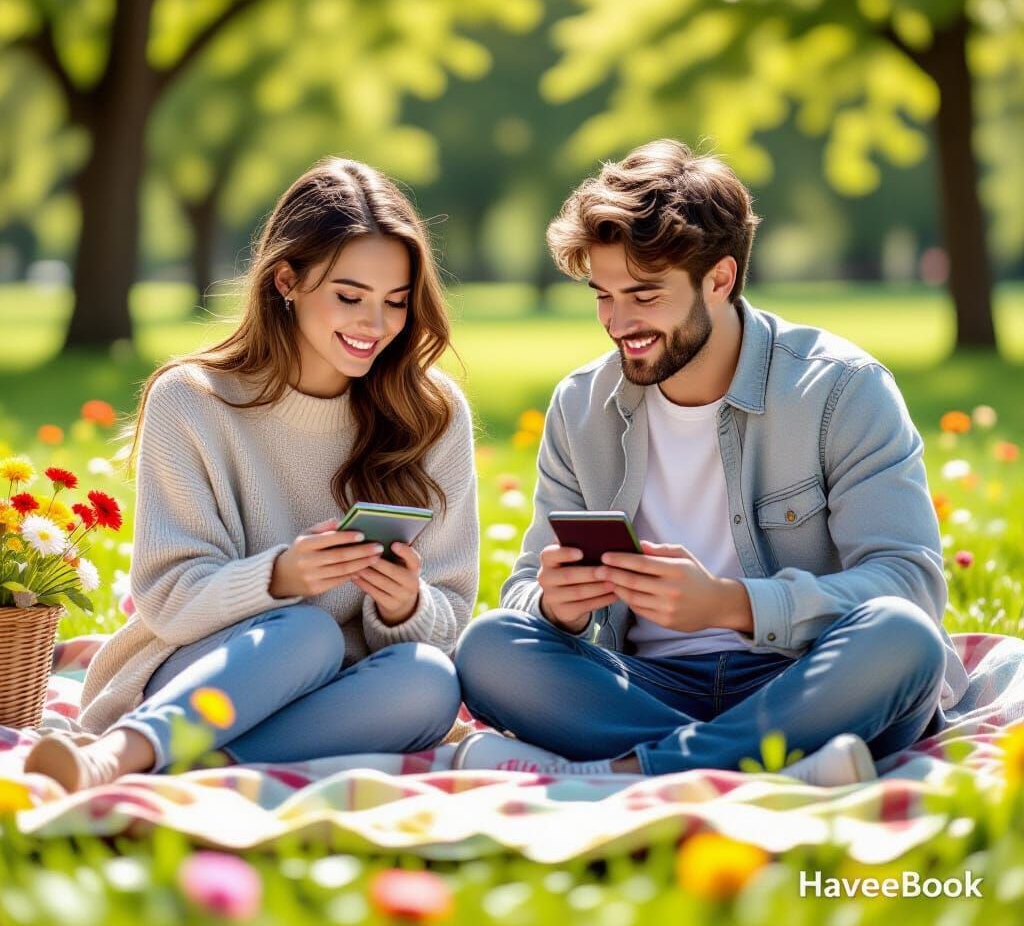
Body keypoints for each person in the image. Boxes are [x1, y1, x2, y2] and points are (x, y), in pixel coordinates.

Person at [453, 139, 968, 786]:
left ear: (719, 279)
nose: (618, 323)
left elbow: (909, 585)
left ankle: (625, 771)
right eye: (603, 296)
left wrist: (733, 606)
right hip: (646, 688)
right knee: (490, 645)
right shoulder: (580, 407)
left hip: (804, 676)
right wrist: (558, 607)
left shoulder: (841, 389)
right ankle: (773, 764)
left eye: (644, 296)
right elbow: (526, 589)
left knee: (902, 637)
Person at [26, 157, 479, 793]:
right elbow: (169, 599)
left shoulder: (432, 413)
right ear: (287, 280)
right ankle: (120, 752)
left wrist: (405, 604)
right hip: (201, 673)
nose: (374, 326)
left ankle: (186, 767)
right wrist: (280, 577)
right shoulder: (192, 399)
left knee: (429, 680)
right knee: (310, 632)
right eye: (349, 297)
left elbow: (450, 612)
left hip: (345, 691)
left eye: (395, 302)